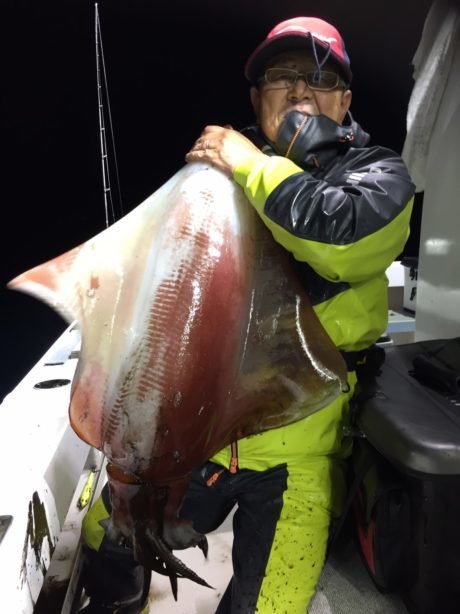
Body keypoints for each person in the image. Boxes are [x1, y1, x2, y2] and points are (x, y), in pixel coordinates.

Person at [79, 16, 415, 614]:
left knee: (272, 605)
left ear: (345, 100)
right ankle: (123, 597)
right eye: (280, 78)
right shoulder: (213, 173)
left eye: (320, 78)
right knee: (105, 534)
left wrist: (249, 165)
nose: (300, 91)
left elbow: (348, 240)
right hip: (199, 432)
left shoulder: (377, 174)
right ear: (257, 99)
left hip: (299, 445)